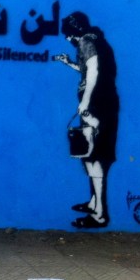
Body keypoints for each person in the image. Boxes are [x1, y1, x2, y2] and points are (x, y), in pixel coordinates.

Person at [54, 12, 119, 229]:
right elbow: (87, 70)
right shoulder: (95, 41)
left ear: (75, 31)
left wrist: (85, 102)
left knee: (95, 156)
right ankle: (94, 202)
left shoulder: (85, 41)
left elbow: (93, 71)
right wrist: (69, 64)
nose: (67, 39)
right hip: (102, 101)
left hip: (97, 104)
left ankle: (99, 214)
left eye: (68, 35)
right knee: (90, 153)